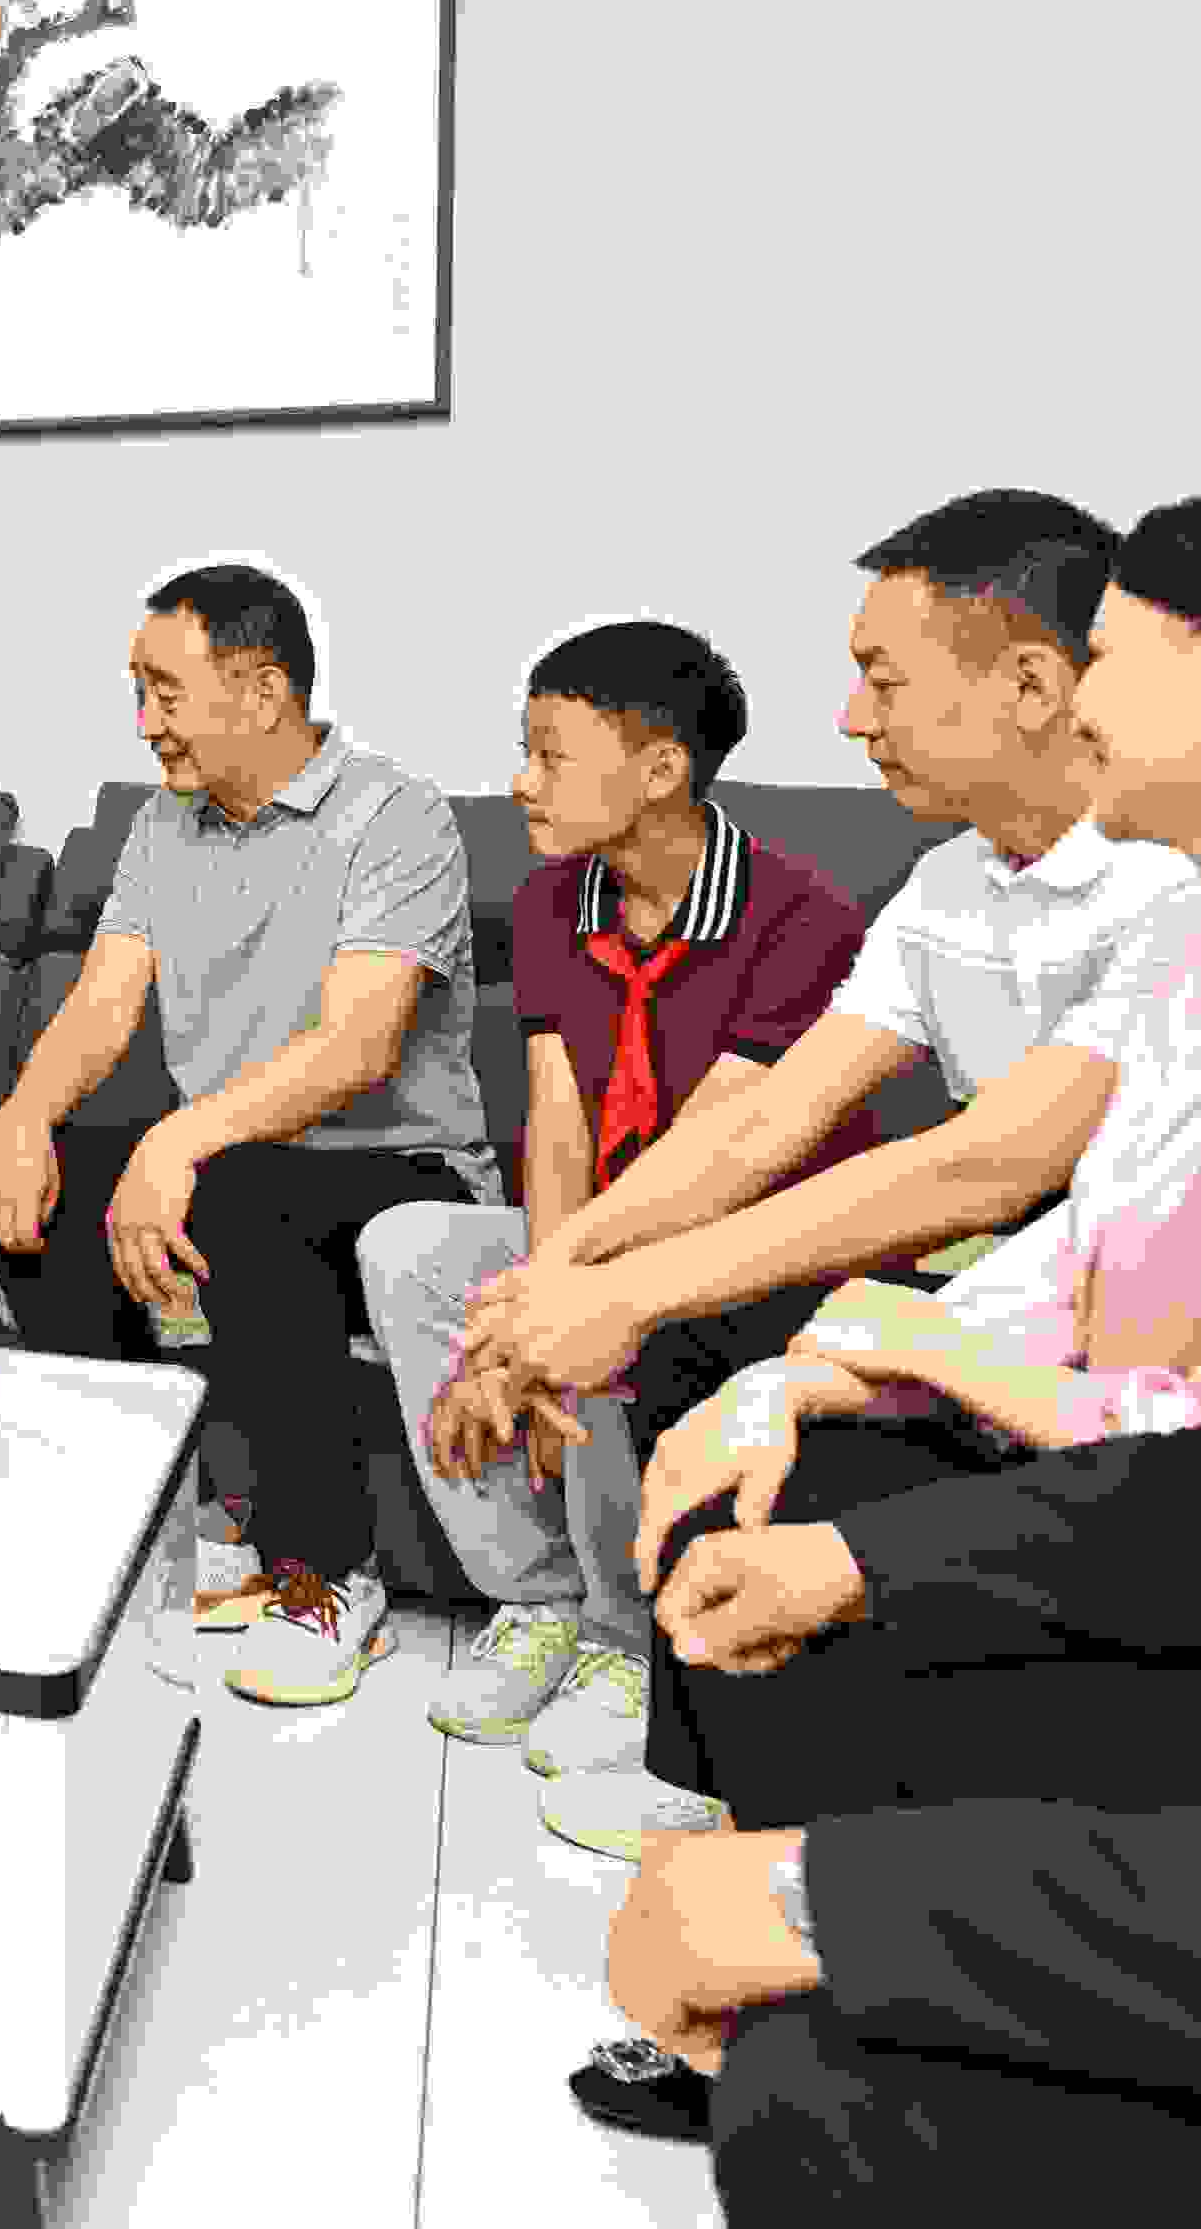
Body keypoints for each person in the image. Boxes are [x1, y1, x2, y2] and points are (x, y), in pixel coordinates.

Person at [606, 355, 1201, 2223]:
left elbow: (1006, 1201)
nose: (1085, 694)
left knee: (834, 2088)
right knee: (812, 1514)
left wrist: (832, 1901)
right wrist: (840, 1435)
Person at [444, 491, 1201, 1865]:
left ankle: (822, 1826)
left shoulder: (1169, 882)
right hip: (1011, 1281)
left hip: (1130, 1309)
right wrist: (558, 1276)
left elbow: (993, 1159)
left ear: (1031, 685)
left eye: (883, 678)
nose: (853, 719)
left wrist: (631, 1287)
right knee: (694, 1342)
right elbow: (764, 1123)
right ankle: (710, 1774)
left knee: (719, 1343)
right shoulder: (945, 886)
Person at [357, 622, 875, 1782]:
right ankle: (538, 1598)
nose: (519, 780)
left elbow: (717, 1148)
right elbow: (558, 1119)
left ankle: (624, 1634)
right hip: (604, 1222)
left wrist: (556, 1308)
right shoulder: (554, 901)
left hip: (750, 1249)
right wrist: (531, 1302)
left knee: (601, 1305)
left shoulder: (805, 916)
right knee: (414, 1247)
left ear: (660, 770)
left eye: (548, 753)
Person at [0, 563, 497, 1707]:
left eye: (164, 690)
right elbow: (104, 1001)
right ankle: (149, 1519)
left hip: (400, 1173)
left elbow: (360, 1043)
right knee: (48, 1188)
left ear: (262, 691)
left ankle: (327, 1573)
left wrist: (176, 1147)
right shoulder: (164, 824)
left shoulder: (394, 815)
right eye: (138, 690)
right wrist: (20, 1121)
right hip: (234, 1159)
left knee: (244, 1195)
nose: (144, 720)